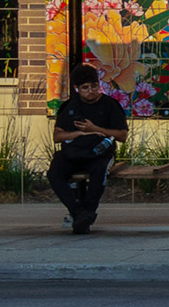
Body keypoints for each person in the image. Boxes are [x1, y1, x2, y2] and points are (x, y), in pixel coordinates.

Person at [48, 64, 129, 234]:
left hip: (99, 152)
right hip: (73, 152)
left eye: (94, 86)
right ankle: (78, 213)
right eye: (85, 88)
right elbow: (57, 137)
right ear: (77, 89)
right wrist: (78, 133)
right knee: (54, 172)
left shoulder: (110, 105)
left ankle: (89, 211)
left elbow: (122, 136)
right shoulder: (69, 106)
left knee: (99, 171)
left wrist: (95, 129)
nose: (91, 91)